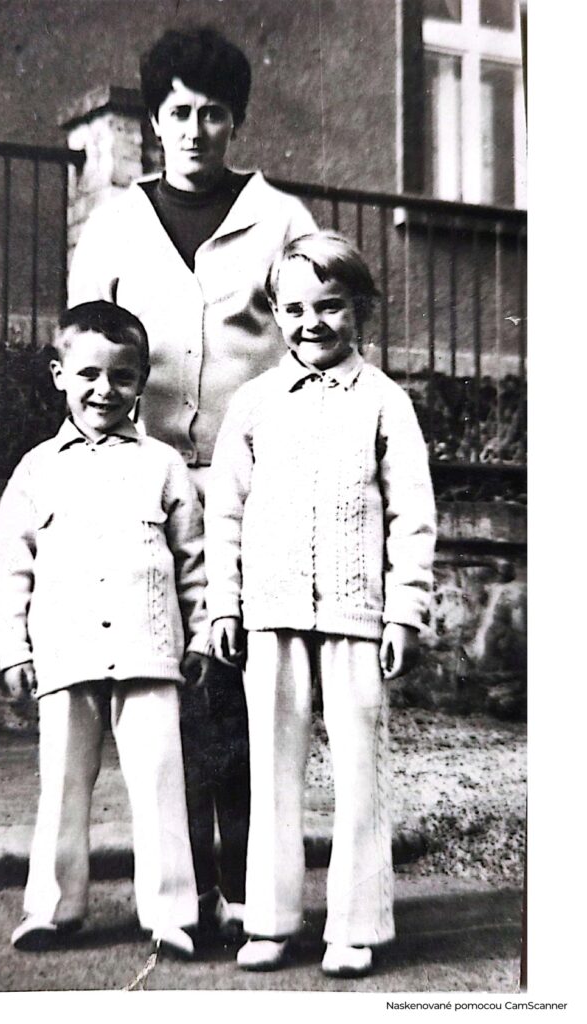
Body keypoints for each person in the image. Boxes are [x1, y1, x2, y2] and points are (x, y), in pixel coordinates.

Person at [68, 26, 317, 939]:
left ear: (236, 121)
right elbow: (86, 349)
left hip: (255, 490)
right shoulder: (115, 224)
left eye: (214, 113)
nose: (195, 130)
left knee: (244, 689)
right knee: (169, 689)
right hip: (146, 490)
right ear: (155, 120)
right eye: (179, 112)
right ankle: (191, 891)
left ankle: (249, 886)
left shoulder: (281, 220)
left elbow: (315, 346)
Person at [205, 232, 437, 976]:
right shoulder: (254, 403)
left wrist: (404, 611)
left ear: (360, 308)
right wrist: (224, 604)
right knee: (273, 771)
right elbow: (224, 514)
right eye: (296, 309)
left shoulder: (385, 402)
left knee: (360, 771)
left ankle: (356, 926)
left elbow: (411, 515)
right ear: (276, 314)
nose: (312, 323)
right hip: (271, 615)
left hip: (355, 616)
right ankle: (271, 921)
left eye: (330, 306)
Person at [0, 301, 213, 959]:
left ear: (141, 381)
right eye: (88, 374)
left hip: (149, 651)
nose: (104, 390)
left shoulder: (163, 466)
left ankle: (170, 914)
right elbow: (11, 565)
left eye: (121, 376)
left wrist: (201, 634)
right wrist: (13, 648)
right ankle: (52, 909)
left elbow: (194, 560)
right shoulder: (37, 469)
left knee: (159, 782)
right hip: (67, 650)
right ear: (59, 375)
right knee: (61, 783)